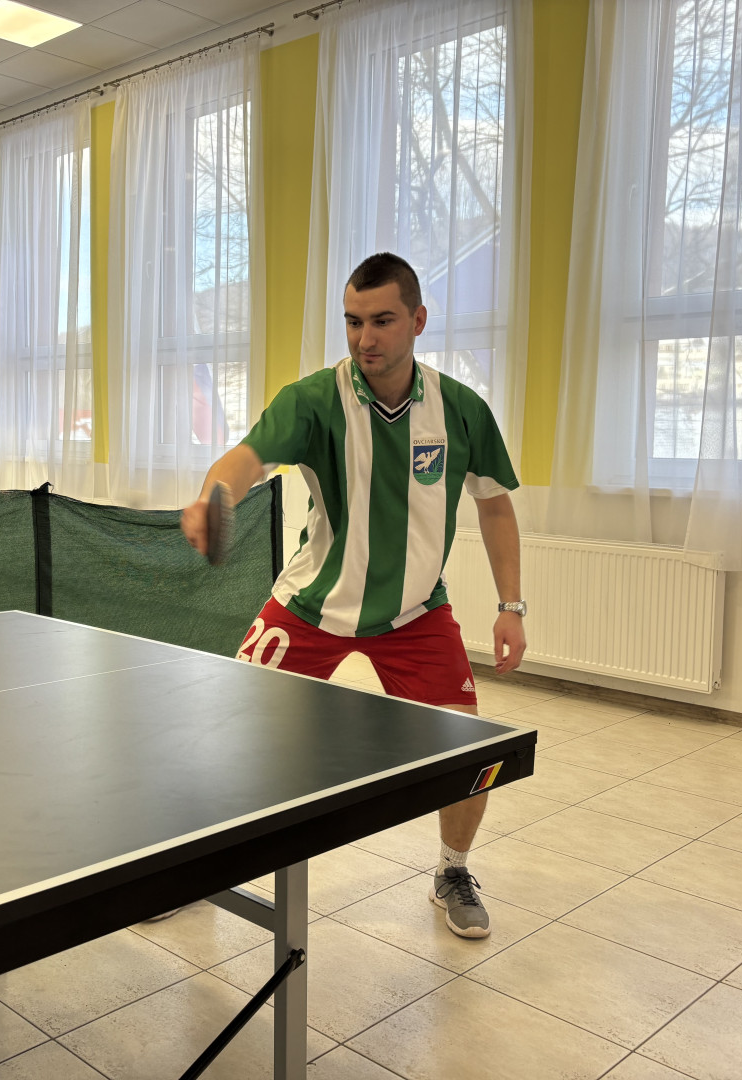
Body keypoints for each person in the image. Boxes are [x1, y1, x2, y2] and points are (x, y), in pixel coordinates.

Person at [181, 253, 527, 939]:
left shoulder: (461, 409)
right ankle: (200, 865)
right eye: (353, 321)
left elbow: (494, 506)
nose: (365, 338)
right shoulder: (313, 401)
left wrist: (510, 607)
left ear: (418, 321)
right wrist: (213, 495)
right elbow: (247, 458)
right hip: (312, 605)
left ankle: (453, 869)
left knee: (469, 752)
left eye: (382, 321)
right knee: (229, 729)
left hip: (416, 612)